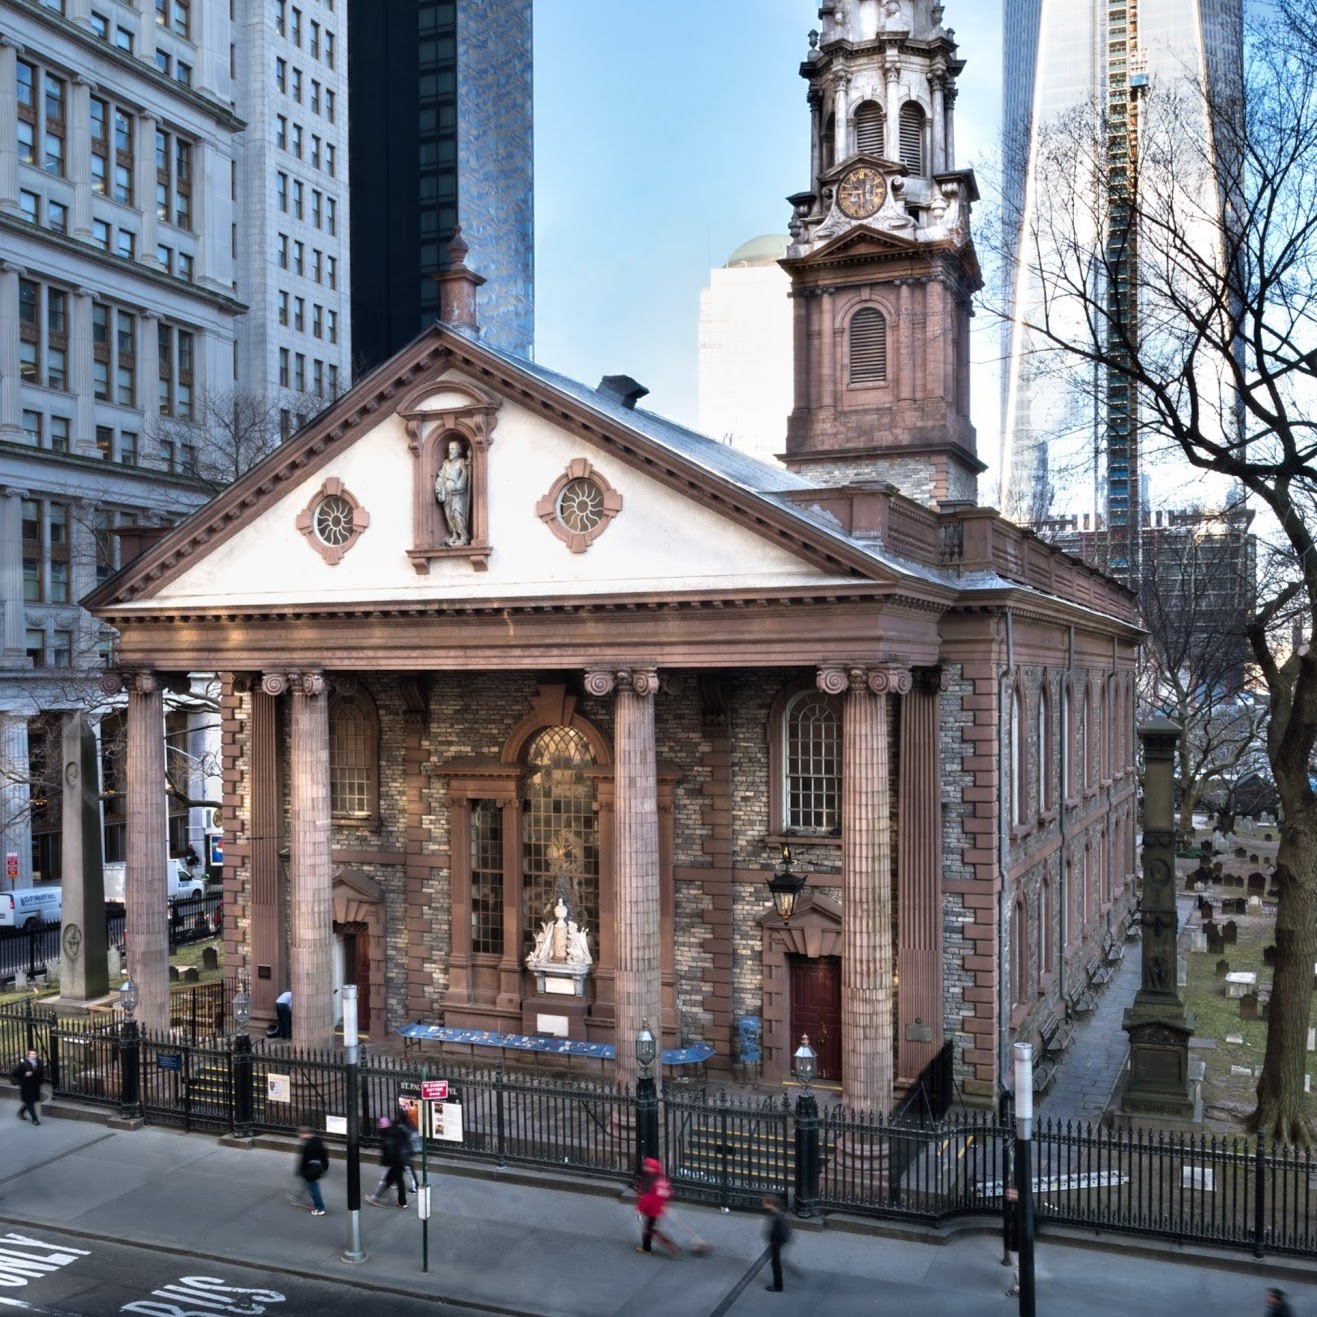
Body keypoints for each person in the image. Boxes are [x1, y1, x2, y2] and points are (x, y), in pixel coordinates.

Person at [635, 1156, 679, 1256]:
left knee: (649, 1230)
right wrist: (664, 1202)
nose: (644, 1168)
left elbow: (647, 1198)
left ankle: (651, 1248)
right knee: (650, 1229)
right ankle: (648, 1247)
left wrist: (639, 1208)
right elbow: (669, 1192)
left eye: (646, 1166)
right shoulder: (660, 1178)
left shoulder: (649, 1180)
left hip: (652, 1209)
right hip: (657, 1208)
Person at [433, 439, 471, 546]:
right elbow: (440, 477)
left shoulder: (462, 462)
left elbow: (464, 476)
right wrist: (439, 489)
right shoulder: (446, 463)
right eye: (450, 449)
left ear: (458, 450)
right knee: (448, 515)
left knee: (456, 513)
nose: (451, 451)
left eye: (453, 449)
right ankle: (455, 534)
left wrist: (458, 486)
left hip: (458, 493)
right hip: (447, 493)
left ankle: (464, 536)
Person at [367, 1117, 409, 1208]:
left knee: (387, 1181)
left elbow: (389, 1151)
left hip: (394, 1162)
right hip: (402, 1160)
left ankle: (377, 1198)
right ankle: (402, 1202)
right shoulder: (396, 1131)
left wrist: (385, 1162)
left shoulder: (387, 1136)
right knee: (399, 1180)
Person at [294, 1126, 329, 1216]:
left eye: (300, 1135)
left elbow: (304, 1160)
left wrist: (301, 1171)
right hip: (318, 1168)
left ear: (303, 1133)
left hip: (310, 1171)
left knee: (314, 1188)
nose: (299, 1137)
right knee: (312, 1187)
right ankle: (315, 1203)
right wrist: (325, 1166)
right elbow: (324, 1154)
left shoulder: (307, 1145)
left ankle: (320, 1208)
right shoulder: (318, 1140)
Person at [762, 1194, 790, 1292]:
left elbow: (779, 1232)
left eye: (765, 1202)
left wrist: (773, 1241)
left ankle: (778, 1286)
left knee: (775, 1264)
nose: (763, 1204)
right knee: (775, 1263)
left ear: (770, 1204)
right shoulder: (777, 1213)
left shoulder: (777, 1217)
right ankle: (777, 1284)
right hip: (777, 1242)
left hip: (776, 1242)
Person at [11, 1049, 43, 1126]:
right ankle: (34, 1119)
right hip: (26, 1087)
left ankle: (21, 1112)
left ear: (36, 1054)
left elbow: (40, 1073)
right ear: (28, 1055)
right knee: (30, 1102)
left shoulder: (38, 1062)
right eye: (31, 1054)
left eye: (34, 1054)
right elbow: (14, 1073)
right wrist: (25, 1075)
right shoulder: (24, 1064)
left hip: (35, 1086)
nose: (32, 1056)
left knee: (32, 1100)